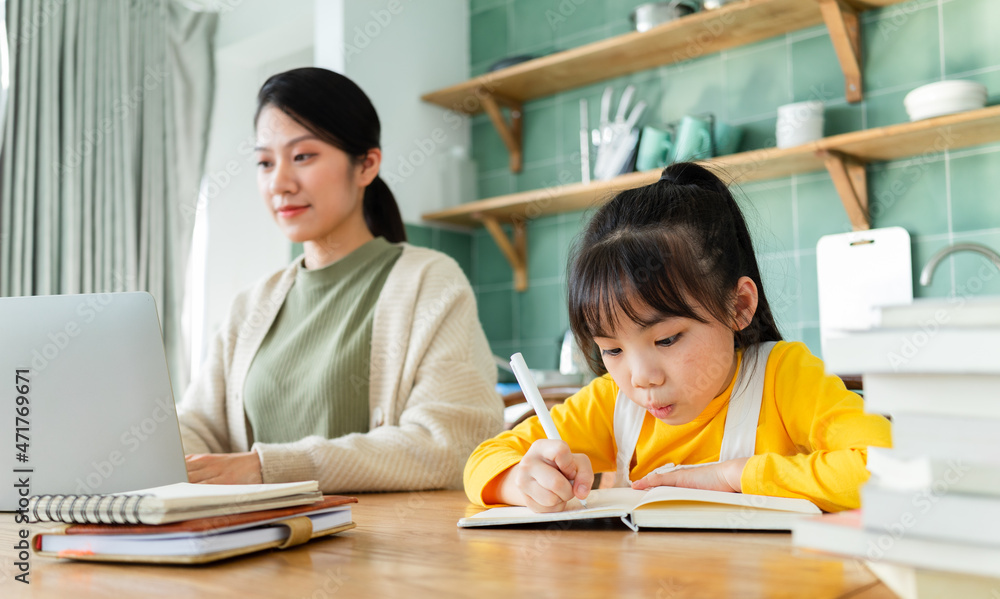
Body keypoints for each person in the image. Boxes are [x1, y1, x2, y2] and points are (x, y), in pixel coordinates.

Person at [464, 162, 891, 513]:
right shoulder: (613, 401)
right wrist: (520, 482)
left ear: (738, 306)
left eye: (666, 340)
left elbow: (891, 469)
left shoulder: (782, 378)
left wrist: (732, 476)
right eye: (612, 349)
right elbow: (482, 461)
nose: (640, 378)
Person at [178, 67, 503, 493]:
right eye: (264, 162)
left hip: (384, 552)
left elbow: (450, 445)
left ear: (366, 165)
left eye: (303, 156)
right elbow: (199, 424)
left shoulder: (429, 281)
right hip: (257, 548)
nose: (279, 183)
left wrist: (269, 468)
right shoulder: (252, 305)